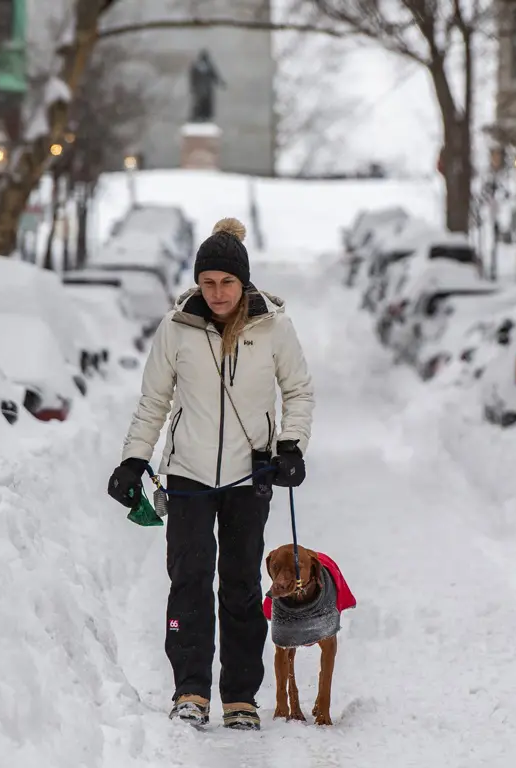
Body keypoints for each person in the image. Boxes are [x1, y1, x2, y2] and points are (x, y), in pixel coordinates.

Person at [108, 217, 315, 731]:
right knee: (188, 584)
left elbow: (299, 391)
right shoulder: (175, 328)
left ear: (243, 284)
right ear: (197, 283)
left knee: (242, 585)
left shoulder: (273, 328)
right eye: (208, 282)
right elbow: (154, 401)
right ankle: (190, 688)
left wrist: (291, 445)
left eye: (227, 283)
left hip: (251, 476)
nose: (218, 293)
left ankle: (241, 695)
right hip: (188, 476)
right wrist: (135, 458)